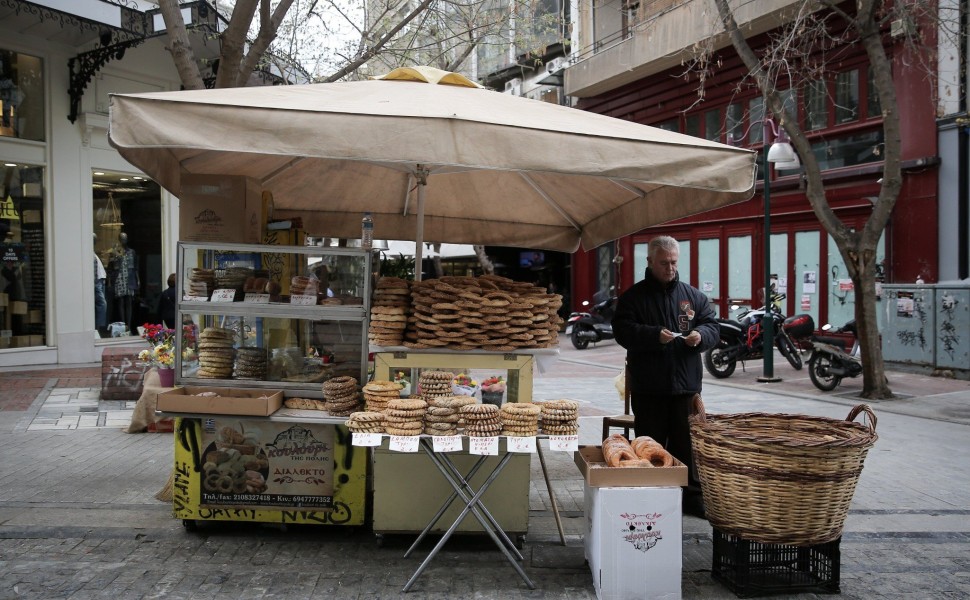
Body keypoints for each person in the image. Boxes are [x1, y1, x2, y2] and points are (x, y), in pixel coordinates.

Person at [611, 235, 718, 518]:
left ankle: (692, 497)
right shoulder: (633, 297)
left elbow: (712, 326)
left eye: (673, 262)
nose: (670, 268)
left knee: (688, 445)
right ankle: (652, 495)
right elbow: (622, 330)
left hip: (686, 387)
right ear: (649, 262)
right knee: (650, 445)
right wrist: (653, 335)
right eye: (663, 263)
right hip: (649, 388)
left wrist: (701, 335)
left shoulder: (693, 296)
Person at [109, 232, 138, 333]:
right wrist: (110, 281)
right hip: (119, 278)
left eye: (125, 238)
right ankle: (123, 325)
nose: (123, 240)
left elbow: (135, 267)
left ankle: (129, 325)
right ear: (119, 240)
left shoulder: (132, 252)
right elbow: (111, 267)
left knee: (129, 301)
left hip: (129, 278)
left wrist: (138, 280)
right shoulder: (115, 252)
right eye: (122, 238)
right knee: (121, 302)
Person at [93, 234, 107, 336]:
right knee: (102, 304)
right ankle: (99, 328)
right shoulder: (90, 254)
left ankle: (99, 327)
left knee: (101, 305)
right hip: (97, 282)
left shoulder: (92, 253)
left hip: (100, 281)